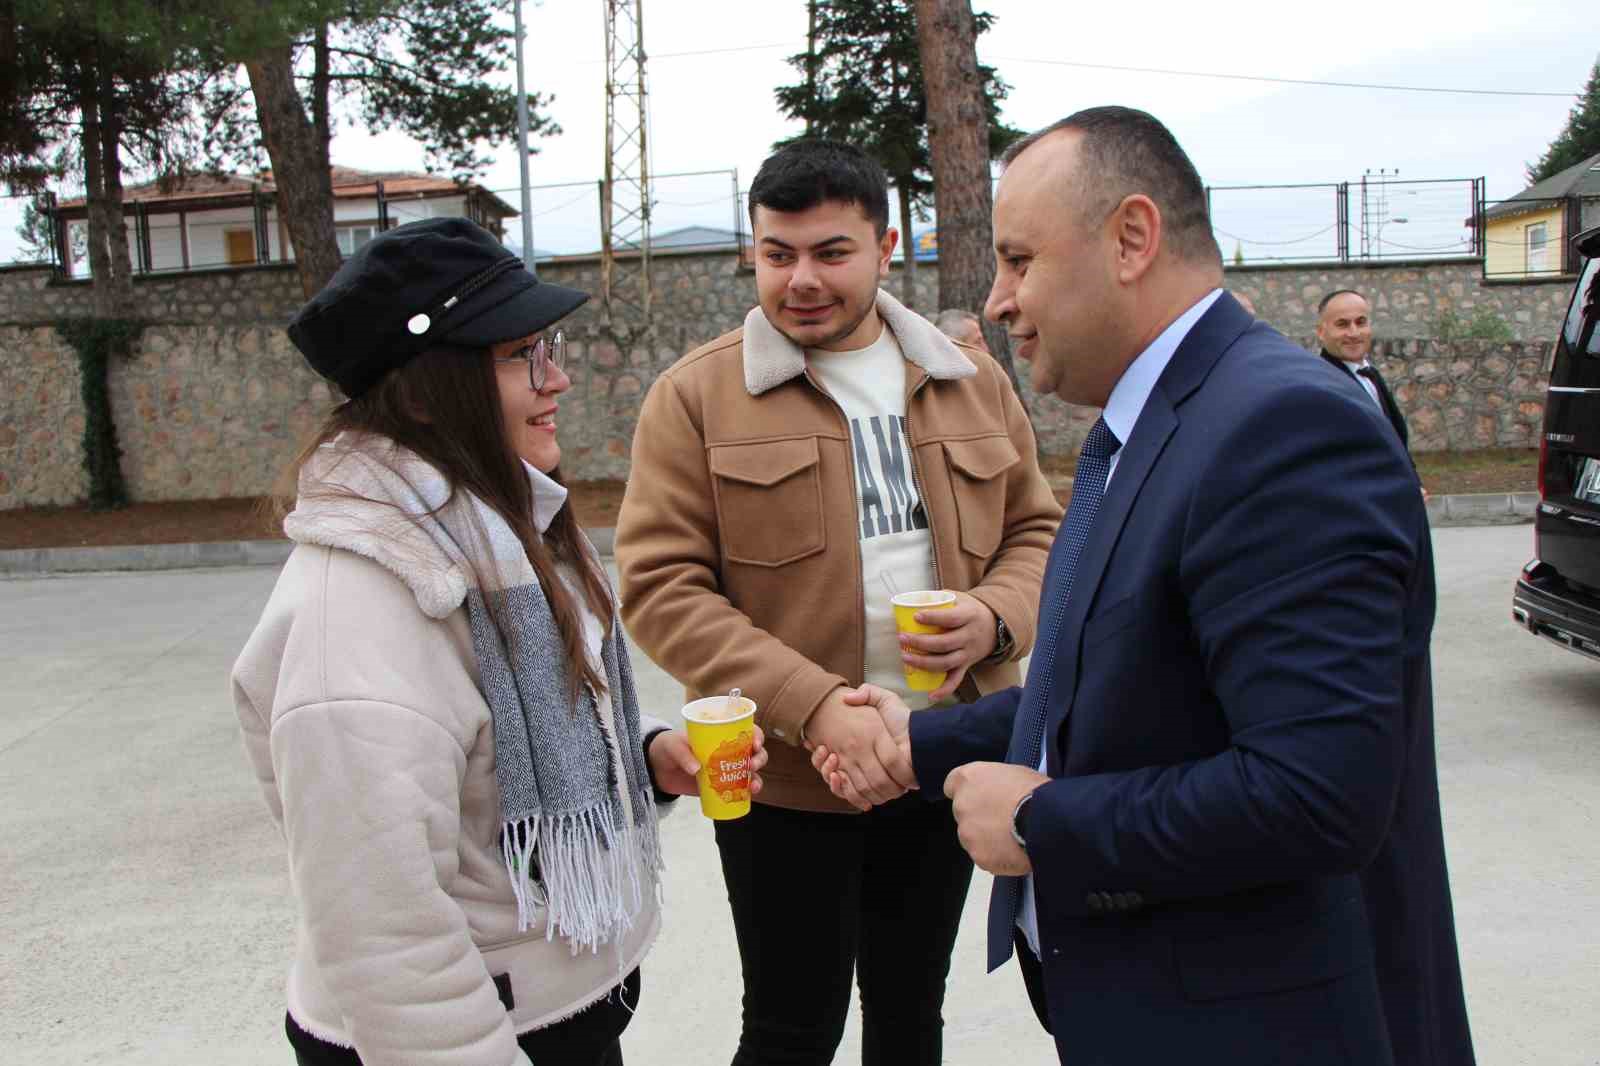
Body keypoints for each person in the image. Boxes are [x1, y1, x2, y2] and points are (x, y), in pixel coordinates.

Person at [815, 108, 1475, 1065]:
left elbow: (1318, 793)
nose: (998, 301)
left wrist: (1044, 824)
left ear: (1131, 239)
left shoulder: (1281, 430)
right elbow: (1125, 687)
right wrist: (920, 743)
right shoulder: (1163, 419)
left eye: (1019, 260)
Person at [232, 217, 766, 1066]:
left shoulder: (492, 529)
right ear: (422, 390)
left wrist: (645, 755)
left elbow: (498, 747)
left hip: (558, 1008)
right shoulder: (359, 610)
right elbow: (383, 930)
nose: (556, 378)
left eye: (545, 345)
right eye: (522, 354)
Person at [613, 140, 1061, 1066]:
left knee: (909, 1015)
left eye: (830, 252)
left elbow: (1039, 533)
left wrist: (995, 617)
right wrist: (814, 705)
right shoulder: (697, 396)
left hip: (943, 756)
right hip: (785, 778)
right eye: (778, 254)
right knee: (789, 1026)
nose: (801, 279)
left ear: (886, 245)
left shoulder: (970, 379)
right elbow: (661, 589)